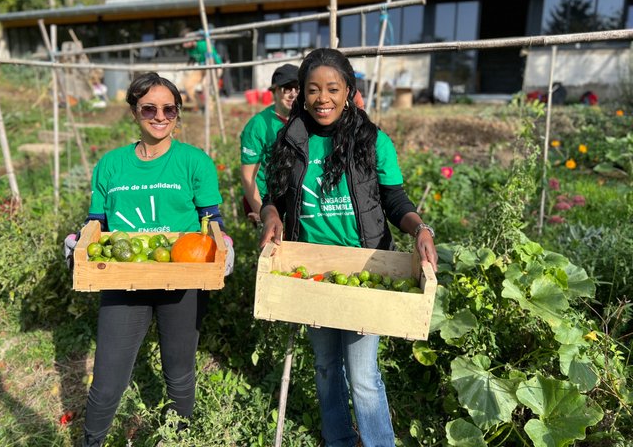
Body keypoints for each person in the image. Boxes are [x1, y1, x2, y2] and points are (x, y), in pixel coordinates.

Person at [259, 48, 438, 447]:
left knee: (362, 373)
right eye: (313, 89)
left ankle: (378, 442)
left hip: (365, 269)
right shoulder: (289, 139)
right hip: (310, 271)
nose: (322, 98)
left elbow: (395, 201)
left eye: (332, 89)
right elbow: (273, 196)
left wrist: (420, 228)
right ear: (302, 94)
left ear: (349, 91)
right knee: (324, 365)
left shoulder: (371, 141)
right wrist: (270, 214)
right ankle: (338, 438)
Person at [75, 72, 233, 446]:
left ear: (178, 113)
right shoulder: (111, 165)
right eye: (149, 107)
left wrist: (222, 242)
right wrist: (78, 239)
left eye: (169, 109)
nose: (160, 116)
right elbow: (96, 222)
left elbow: (211, 218)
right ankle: (91, 442)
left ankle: (177, 439)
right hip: (122, 279)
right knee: (108, 378)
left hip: (181, 277)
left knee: (178, 372)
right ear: (134, 112)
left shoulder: (195, 162)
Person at [240, 63, 298, 225]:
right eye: (287, 88)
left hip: (295, 200)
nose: (293, 94)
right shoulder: (258, 125)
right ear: (274, 91)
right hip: (269, 201)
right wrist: (261, 213)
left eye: (297, 88)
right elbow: (248, 175)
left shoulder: (305, 121)